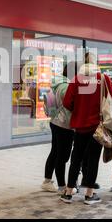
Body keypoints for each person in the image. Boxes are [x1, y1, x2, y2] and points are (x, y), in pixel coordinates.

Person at [60, 53, 112, 205]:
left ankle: (68, 193)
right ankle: (89, 194)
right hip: (97, 127)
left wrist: (79, 110)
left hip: (79, 127)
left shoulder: (76, 80)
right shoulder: (104, 79)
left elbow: (67, 103)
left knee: (76, 159)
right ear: (95, 63)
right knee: (92, 160)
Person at [41, 62, 77, 194]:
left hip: (55, 121)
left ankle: (47, 181)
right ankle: (62, 186)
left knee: (55, 152)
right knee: (63, 156)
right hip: (64, 125)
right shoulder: (67, 87)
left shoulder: (58, 82)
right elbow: (71, 106)